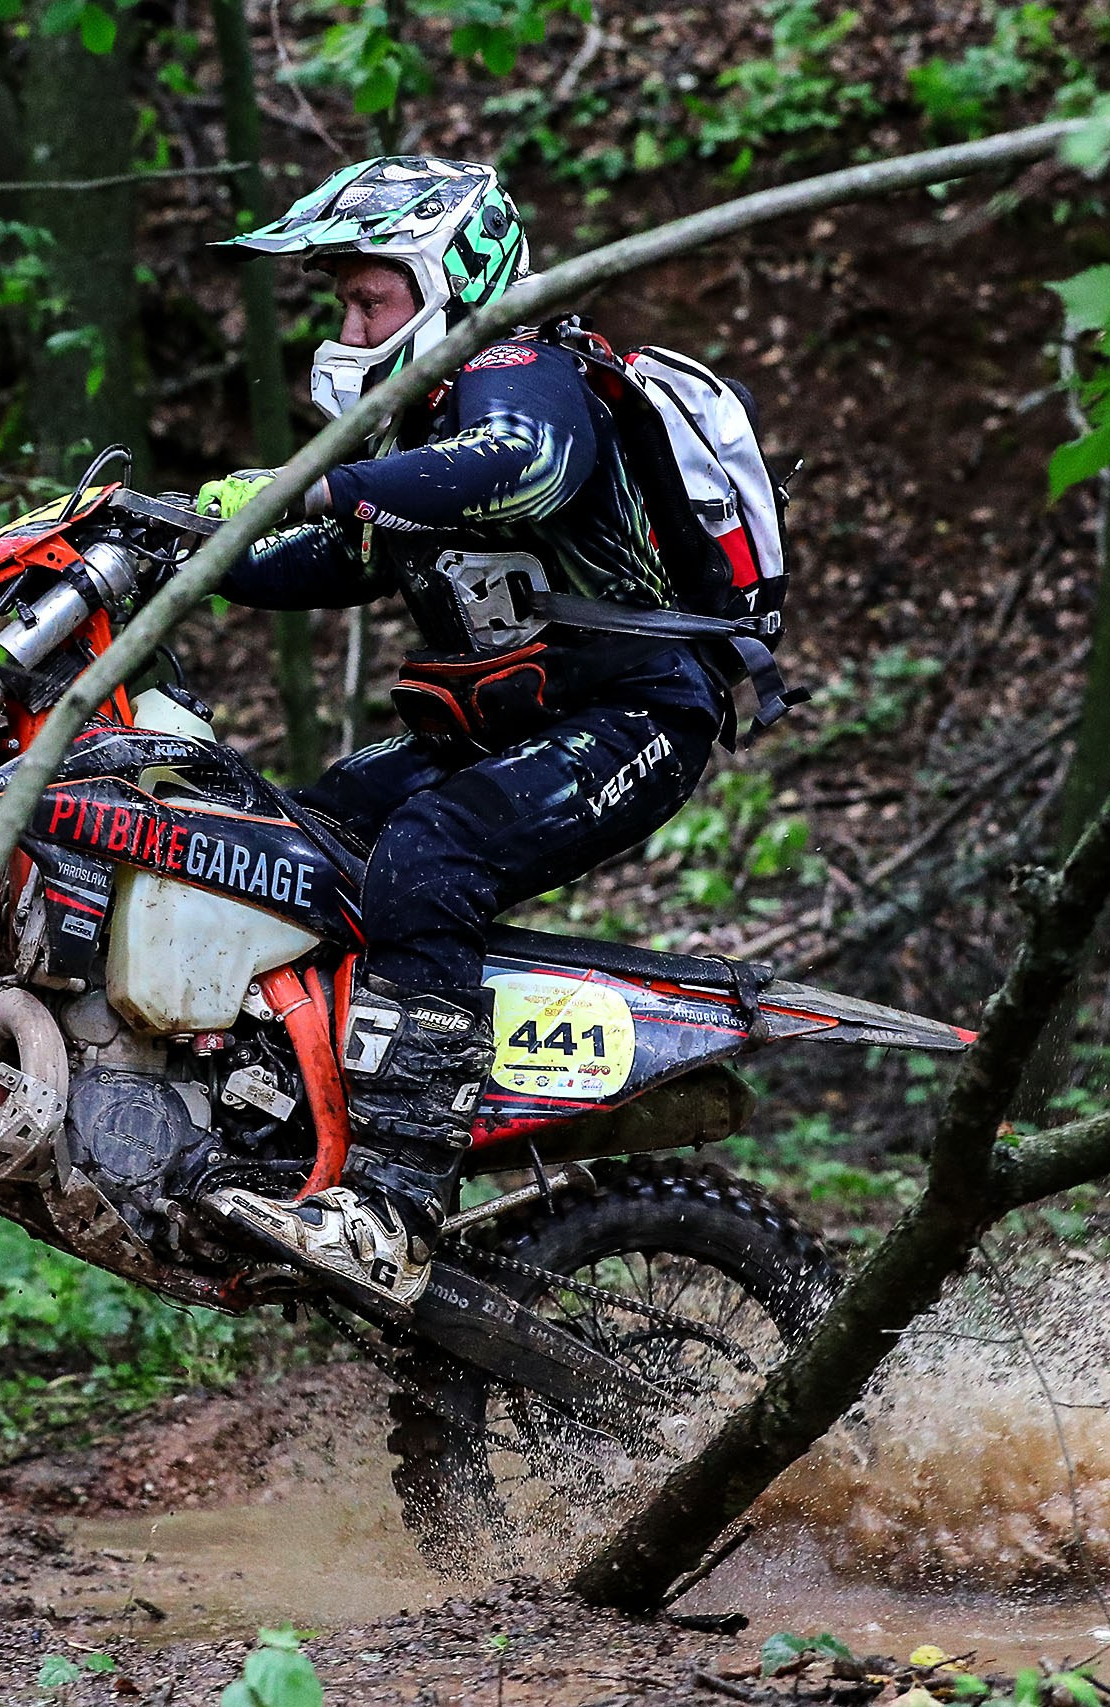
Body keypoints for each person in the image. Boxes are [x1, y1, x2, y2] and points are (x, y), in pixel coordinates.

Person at [191, 157, 730, 1313]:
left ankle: (391, 1209)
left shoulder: (520, 372)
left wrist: (309, 486)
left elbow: (522, 470)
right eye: (343, 303)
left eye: (368, 299)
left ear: (448, 281)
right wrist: (178, 549)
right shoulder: (427, 422)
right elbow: (343, 559)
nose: (350, 328)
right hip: (501, 722)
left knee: (429, 854)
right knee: (288, 838)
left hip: (632, 712)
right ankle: (285, 1127)